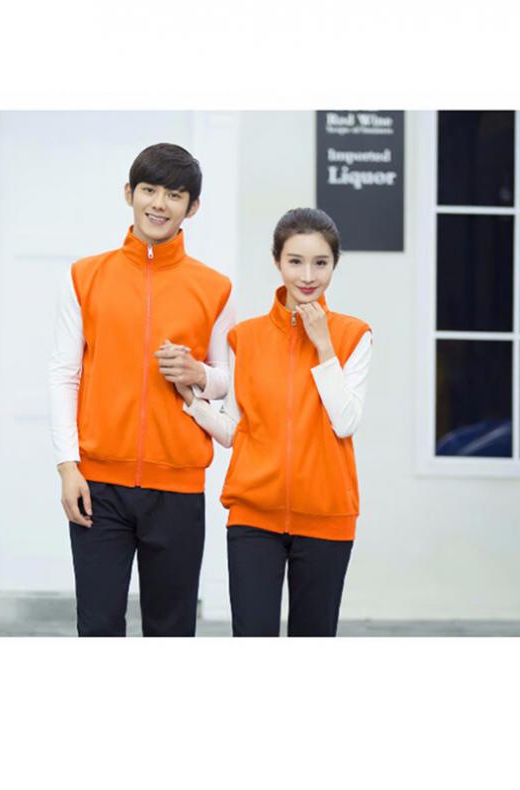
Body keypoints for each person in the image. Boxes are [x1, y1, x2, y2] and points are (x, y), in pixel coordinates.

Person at [49, 142, 234, 637]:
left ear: (192, 207)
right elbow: (64, 373)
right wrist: (68, 466)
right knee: (98, 627)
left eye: (174, 195)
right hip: (98, 486)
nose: (159, 204)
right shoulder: (85, 276)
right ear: (129, 193)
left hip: (177, 489)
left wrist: (197, 373)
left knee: (171, 630)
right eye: (149, 190)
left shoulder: (215, 288)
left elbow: (225, 381)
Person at [170, 207, 371, 636]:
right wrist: (195, 404)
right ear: (277, 261)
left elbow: (345, 422)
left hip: (326, 518)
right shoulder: (245, 338)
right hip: (253, 518)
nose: (307, 276)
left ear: (334, 264)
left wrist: (324, 348)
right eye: (295, 261)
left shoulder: (354, 335)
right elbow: (234, 431)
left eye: (320, 263)